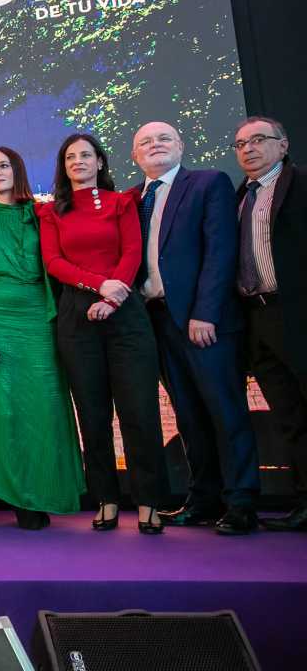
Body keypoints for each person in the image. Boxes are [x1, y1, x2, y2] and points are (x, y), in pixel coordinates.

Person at [130, 121, 259, 536]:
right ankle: (202, 498)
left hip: (205, 323)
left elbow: (221, 252)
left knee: (225, 411)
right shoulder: (132, 200)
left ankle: (241, 502)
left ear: (180, 146)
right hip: (157, 321)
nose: (155, 145)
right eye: (145, 142)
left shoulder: (208, 184)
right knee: (187, 416)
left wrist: (206, 312)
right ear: (134, 157)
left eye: (163, 138)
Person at [39, 135, 166, 534]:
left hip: (125, 313)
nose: (78, 161)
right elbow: (54, 262)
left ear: (99, 162)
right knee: (92, 416)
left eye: (85, 155)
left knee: (139, 411)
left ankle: (149, 501)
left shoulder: (121, 202)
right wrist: (98, 286)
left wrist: (112, 297)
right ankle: (106, 499)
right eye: (70, 156)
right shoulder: (50, 212)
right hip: (76, 316)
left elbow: (132, 252)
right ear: (64, 166)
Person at [0, 149, 84, 530]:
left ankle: (49, 492)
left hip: (41, 321)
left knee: (45, 408)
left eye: (3, 165)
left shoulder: (43, 214)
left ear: (19, 170)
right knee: (5, 412)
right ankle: (21, 500)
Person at [231, 116, 307, 531]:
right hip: (257, 318)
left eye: (259, 140)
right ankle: (304, 501)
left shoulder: (300, 185)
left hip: (295, 311)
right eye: (240, 144)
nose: (249, 149)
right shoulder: (239, 197)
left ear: (283, 144)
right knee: (289, 414)